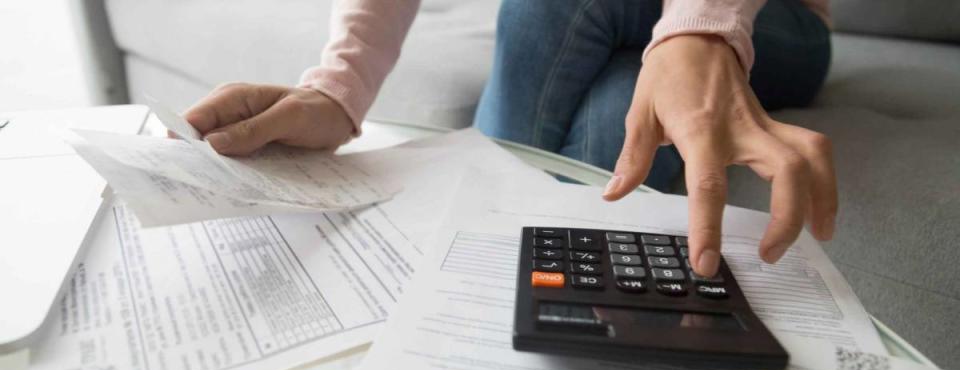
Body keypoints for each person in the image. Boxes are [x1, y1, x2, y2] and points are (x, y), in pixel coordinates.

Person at [181, 0, 837, 278]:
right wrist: (336, 88)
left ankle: (472, 279)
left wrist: (700, 30)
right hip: (619, 26)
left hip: (776, 20)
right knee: (618, 116)